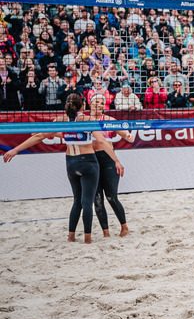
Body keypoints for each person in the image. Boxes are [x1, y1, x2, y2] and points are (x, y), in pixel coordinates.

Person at [3, 93, 124, 243]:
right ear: (83, 106)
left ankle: (71, 236)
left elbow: (39, 137)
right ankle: (87, 238)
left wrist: (15, 150)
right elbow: (103, 141)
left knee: (76, 201)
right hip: (88, 162)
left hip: (71, 163)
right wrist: (116, 160)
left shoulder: (61, 120)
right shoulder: (88, 119)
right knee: (87, 202)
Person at [87, 94, 134, 238]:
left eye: (102, 103)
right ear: (90, 103)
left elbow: (124, 133)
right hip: (90, 159)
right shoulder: (83, 119)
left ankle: (124, 227)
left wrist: (127, 135)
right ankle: (105, 232)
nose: (99, 105)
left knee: (111, 196)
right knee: (97, 198)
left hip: (108, 159)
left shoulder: (109, 120)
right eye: (96, 102)